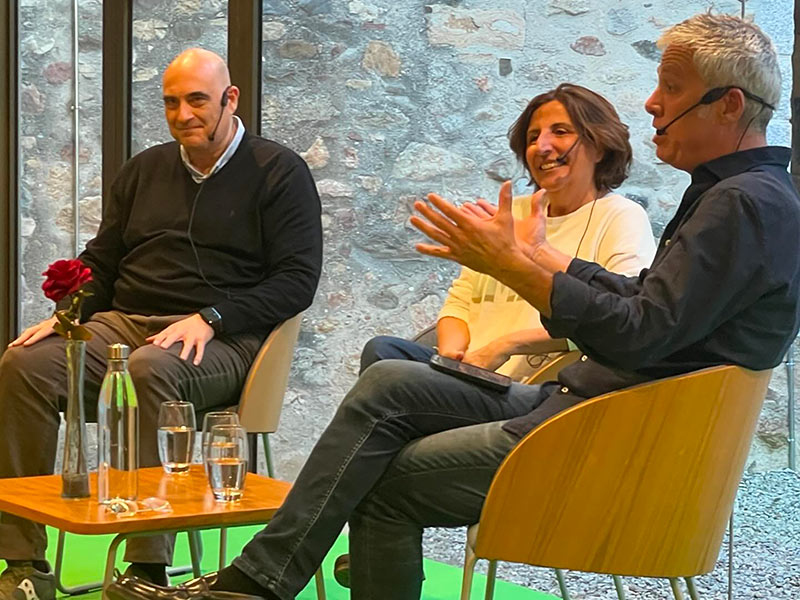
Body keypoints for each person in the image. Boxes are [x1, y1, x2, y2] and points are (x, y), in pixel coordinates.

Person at [109, 13, 800, 600]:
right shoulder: (741, 197)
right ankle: (255, 582)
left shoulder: (742, 204)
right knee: (387, 376)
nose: (651, 103)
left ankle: (253, 583)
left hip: (600, 434)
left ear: (730, 105)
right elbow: (652, 306)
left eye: (669, 88)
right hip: (576, 406)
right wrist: (543, 259)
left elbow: (640, 334)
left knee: (377, 475)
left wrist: (519, 271)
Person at [0, 48, 322, 600]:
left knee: (151, 370)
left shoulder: (279, 171)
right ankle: (24, 560)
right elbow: (101, 261)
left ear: (230, 98)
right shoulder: (145, 169)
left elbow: (297, 280)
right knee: (23, 363)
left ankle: (143, 571)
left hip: (222, 338)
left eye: (197, 100)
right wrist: (68, 317)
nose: (183, 114)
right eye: (171, 102)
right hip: (125, 324)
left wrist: (212, 317)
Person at [361, 84, 655, 381]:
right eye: (532, 137)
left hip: (529, 384)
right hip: (471, 369)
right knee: (383, 352)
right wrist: (452, 359)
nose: (542, 147)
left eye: (561, 132)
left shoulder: (620, 216)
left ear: (600, 146)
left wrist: (505, 346)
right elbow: (459, 303)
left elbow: (618, 320)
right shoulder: (509, 214)